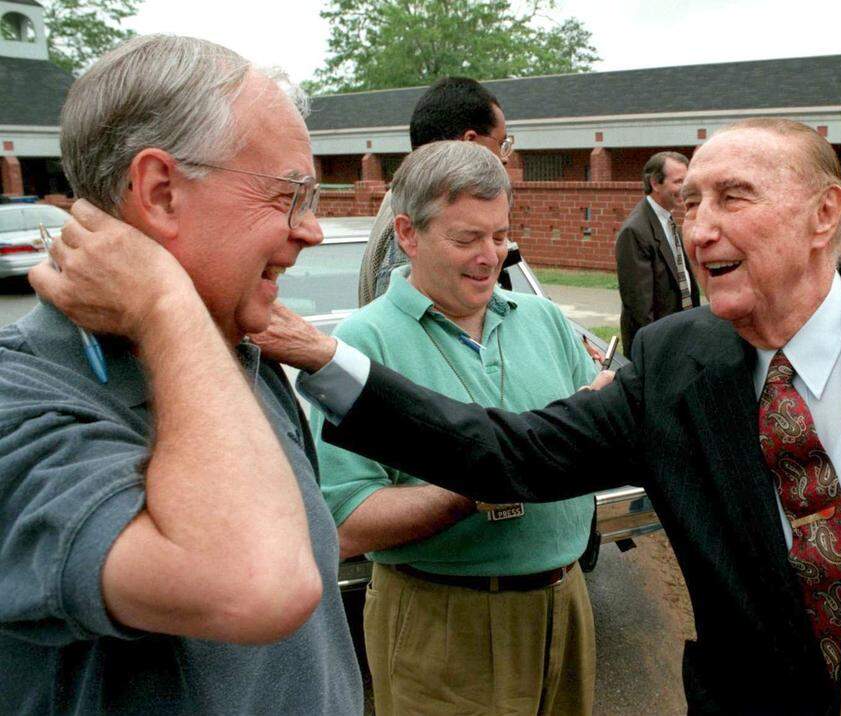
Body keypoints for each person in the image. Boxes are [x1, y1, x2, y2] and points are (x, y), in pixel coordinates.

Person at [68, 119, 841, 714]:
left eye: (733, 198)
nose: (700, 226)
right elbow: (512, 450)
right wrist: (328, 359)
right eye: (691, 202)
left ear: (825, 216)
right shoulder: (676, 362)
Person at [0, 35, 361, 714]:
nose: (311, 230)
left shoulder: (234, 356)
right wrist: (164, 303)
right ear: (161, 193)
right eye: (290, 196)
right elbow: (260, 586)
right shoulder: (18, 398)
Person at [303, 141, 602, 715]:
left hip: (567, 603)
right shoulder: (363, 343)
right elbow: (346, 524)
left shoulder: (543, 319)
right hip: (442, 620)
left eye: (500, 236)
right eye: (467, 239)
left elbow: (593, 439)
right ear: (407, 234)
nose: (490, 256)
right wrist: (480, 486)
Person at [358, 76, 512, 305]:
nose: (504, 158)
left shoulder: (407, 202)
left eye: (498, 238)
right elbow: (403, 320)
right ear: (469, 142)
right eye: (466, 238)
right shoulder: (421, 219)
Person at [615, 151, 700, 356]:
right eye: (678, 181)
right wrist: (659, 351)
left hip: (681, 336)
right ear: (655, 182)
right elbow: (640, 308)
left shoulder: (668, 222)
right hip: (658, 346)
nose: (685, 188)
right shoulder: (635, 231)